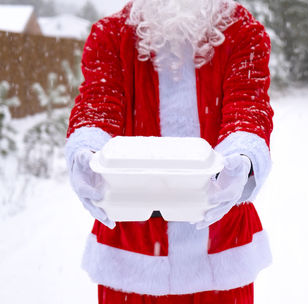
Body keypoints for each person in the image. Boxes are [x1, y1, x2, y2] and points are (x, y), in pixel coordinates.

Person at [64, 0, 273, 303]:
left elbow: (248, 106)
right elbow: (98, 104)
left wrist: (242, 157)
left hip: (221, 255)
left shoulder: (242, 32)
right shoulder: (110, 35)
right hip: (132, 256)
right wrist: (85, 149)